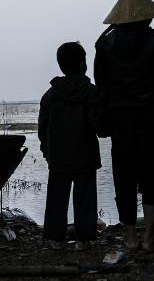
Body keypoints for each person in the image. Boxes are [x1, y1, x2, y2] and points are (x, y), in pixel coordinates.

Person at [94, 0, 154, 252]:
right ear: (147, 17)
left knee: (124, 177)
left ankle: (131, 237)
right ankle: (149, 238)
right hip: (153, 119)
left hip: (120, 121)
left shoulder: (105, 44)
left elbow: (101, 87)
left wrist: (103, 121)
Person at [38, 42, 102, 251]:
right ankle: (85, 238)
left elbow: (43, 129)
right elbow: (97, 124)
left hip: (58, 156)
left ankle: (55, 238)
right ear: (83, 64)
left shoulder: (50, 94)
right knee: (85, 198)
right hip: (85, 155)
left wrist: (47, 151)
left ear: (61, 65)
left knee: (57, 198)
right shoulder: (91, 92)